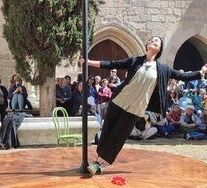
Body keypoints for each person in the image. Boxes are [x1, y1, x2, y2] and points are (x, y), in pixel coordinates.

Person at [80, 36, 207, 176]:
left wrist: (200, 73)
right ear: (147, 45)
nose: (153, 41)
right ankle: (99, 159)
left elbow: (181, 76)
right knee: (107, 131)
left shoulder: (163, 69)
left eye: (156, 41)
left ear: (159, 49)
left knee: (118, 135)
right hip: (119, 101)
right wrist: (88, 62)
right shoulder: (135, 60)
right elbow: (111, 64)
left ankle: (99, 163)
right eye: (151, 40)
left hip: (136, 107)